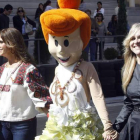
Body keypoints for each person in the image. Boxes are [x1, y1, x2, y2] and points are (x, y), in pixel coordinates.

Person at [35, 0, 119, 140]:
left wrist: (107, 125)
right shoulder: (57, 69)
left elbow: (98, 97)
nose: (61, 50)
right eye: (56, 42)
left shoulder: (86, 67)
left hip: (82, 131)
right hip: (58, 130)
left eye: (66, 42)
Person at [0, 28, 52, 140]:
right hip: (2, 125)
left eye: (1, 42)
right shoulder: (1, 69)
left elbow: (41, 97)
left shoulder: (28, 69)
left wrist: (54, 119)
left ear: (12, 44)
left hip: (22, 125)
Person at [113, 23, 140, 140]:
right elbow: (128, 104)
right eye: (133, 38)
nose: (136, 41)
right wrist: (115, 128)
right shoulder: (128, 69)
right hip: (134, 127)